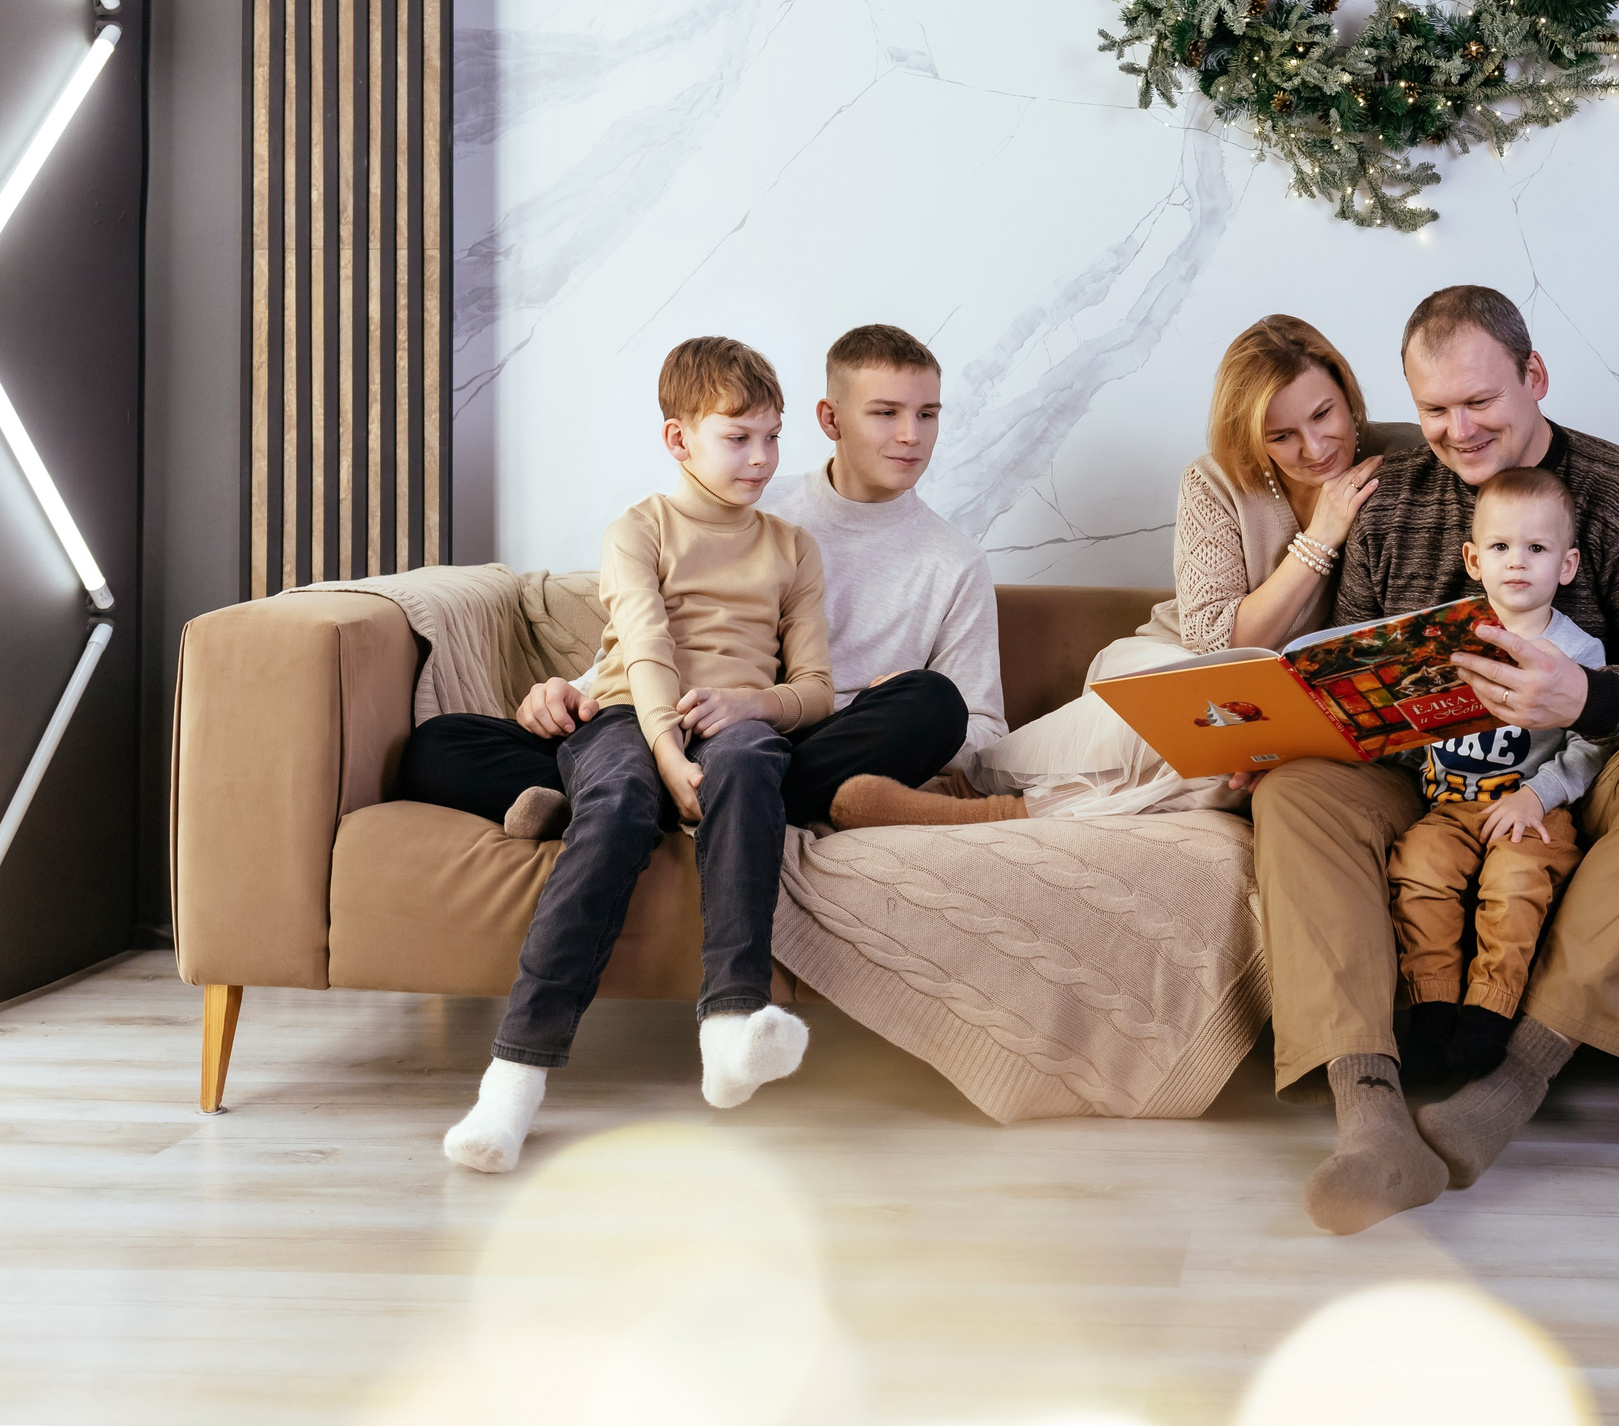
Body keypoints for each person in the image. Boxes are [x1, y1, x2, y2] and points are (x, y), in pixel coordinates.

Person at [1251, 284, 1619, 1236]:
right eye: (1433, 409)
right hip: (1422, 780)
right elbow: (1351, 658)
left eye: (1479, 403)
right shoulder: (1391, 496)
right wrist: (1292, 724)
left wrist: (1588, 698)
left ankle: (1512, 1085)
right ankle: (1372, 1119)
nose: (1455, 430)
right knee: (1294, 791)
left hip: (1579, 773)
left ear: (1534, 378)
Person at [444, 337, 833, 1173]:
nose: (763, 458)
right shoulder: (638, 530)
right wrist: (664, 752)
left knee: (751, 761)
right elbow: (649, 650)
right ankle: (512, 1079)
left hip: (734, 721)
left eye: (773, 435)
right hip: (628, 713)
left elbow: (816, 689)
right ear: (678, 439)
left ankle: (731, 1026)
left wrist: (750, 704)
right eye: (739, 437)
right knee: (619, 801)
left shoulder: (793, 549)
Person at [395, 324, 1000, 836]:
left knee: (932, 702)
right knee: (438, 746)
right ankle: (681, 802)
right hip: (662, 728)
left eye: (927, 415)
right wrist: (570, 689)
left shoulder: (956, 563)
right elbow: (646, 628)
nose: (910, 436)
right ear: (829, 418)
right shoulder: (749, 499)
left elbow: (983, 730)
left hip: (799, 739)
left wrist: (873, 700)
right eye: (886, 413)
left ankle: (624, 809)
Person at [946, 315, 1417, 819]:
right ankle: (969, 782)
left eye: (1324, 415)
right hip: (1187, 662)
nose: (1315, 448)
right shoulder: (1212, 482)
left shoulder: (1408, 455)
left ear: (1347, 392)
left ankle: (990, 811)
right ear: (1251, 436)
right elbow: (1221, 645)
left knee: (1236, 767)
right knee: (1201, 725)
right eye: (1281, 436)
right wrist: (1321, 536)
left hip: (1302, 698)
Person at [1387, 466, 1608, 1087]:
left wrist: (1539, 795)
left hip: (1533, 808)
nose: (1517, 562)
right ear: (1473, 559)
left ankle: (1489, 1014)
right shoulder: (1443, 639)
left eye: (1536, 549)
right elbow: (1412, 723)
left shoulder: (1578, 651)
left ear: (1565, 566)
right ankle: (1431, 1008)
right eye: (1501, 547)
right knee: (1418, 868)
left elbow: (1593, 747)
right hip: (1450, 807)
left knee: (1513, 884)